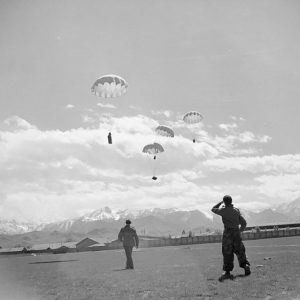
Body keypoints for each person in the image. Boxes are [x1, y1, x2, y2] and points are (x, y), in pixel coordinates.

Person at [211, 195, 251, 281]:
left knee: (227, 252)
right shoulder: (236, 211)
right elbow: (244, 222)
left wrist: (220, 203)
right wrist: (240, 230)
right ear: (231, 201)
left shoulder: (223, 210)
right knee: (240, 251)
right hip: (236, 232)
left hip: (227, 234)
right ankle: (245, 265)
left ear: (224, 202)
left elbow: (213, 209)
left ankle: (227, 272)